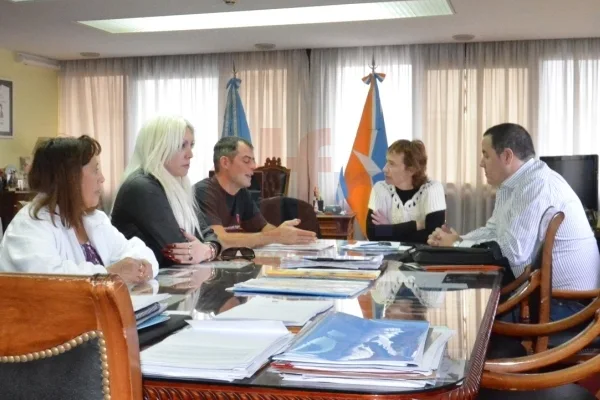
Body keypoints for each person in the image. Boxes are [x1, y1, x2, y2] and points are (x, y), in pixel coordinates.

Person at [428, 123, 600, 318]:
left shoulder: (537, 185)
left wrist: (459, 244)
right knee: (464, 300)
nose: (481, 163)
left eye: (486, 155)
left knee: (472, 314)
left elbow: (512, 253)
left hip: (568, 307)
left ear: (507, 156)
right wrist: (457, 240)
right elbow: (493, 230)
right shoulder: (512, 185)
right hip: (544, 297)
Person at [0, 136, 158, 283]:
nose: (102, 178)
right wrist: (109, 274)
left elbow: (135, 250)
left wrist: (143, 266)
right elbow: (48, 281)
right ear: (70, 178)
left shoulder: (93, 219)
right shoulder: (29, 226)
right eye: (95, 170)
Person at [111, 115, 221, 267]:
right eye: (182, 145)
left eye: (191, 145)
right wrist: (206, 250)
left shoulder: (178, 185)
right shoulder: (142, 187)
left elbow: (208, 234)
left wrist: (208, 250)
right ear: (159, 147)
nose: (190, 154)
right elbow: (178, 250)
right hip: (141, 287)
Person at [193, 136, 316, 248]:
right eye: (247, 161)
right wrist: (276, 236)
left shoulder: (242, 192)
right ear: (225, 162)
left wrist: (284, 233)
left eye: (253, 160)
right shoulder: (203, 192)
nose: (254, 166)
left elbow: (265, 229)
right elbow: (219, 240)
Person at [367, 139, 446, 244]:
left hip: (422, 258)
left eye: (392, 164)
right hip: (388, 257)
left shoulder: (433, 189)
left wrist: (388, 229)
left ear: (411, 170)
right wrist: (417, 225)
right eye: (387, 162)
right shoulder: (380, 189)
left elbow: (432, 237)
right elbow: (373, 234)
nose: (384, 169)